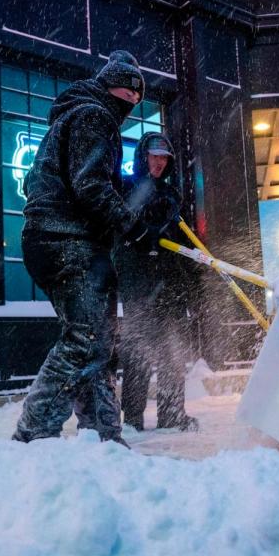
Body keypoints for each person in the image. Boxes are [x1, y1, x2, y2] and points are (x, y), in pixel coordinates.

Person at [12, 51, 159, 446]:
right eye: (126, 92)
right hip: (68, 241)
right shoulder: (93, 117)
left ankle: (104, 437)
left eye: (136, 98)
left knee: (95, 341)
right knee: (87, 338)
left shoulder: (73, 117)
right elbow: (90, 185)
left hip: (53, 240)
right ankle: (34, 433)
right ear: (109, 85)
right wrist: (131, 225)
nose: (129, 102)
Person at [115, 132, 199, 433]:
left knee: (173, 353)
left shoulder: (172, 195)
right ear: (143, 157)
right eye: (154, 156)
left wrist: (193, 283)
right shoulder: (127, 190)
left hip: (171, 286)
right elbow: (122, 235)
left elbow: (182, 241)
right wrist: (143, 237)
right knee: (137, 354)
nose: (160, 162)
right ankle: (133, 420)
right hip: (140, 286)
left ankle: (173, 414)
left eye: (164, 157)